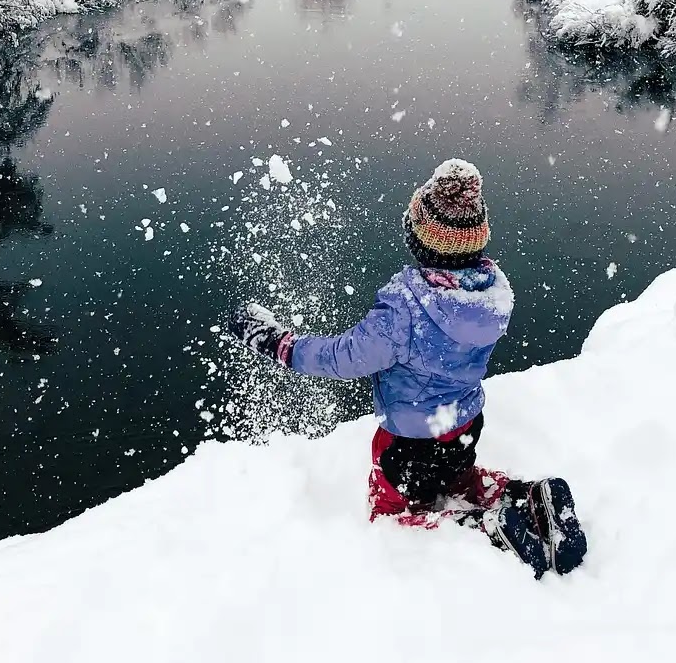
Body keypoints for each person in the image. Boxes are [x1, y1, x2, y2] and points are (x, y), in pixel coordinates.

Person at [227, 158, 586, 577]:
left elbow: (343, 357)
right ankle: (528, 497)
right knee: (458, 479)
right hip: (464, 424)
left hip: (408, 444)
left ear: (421, 239)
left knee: (392, 520)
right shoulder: (492, 297)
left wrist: (280, 344)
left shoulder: (404, 311)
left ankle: (480, 527)